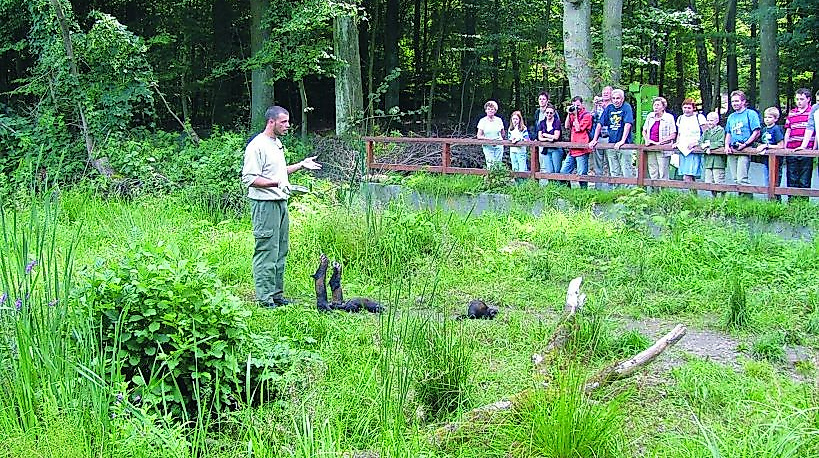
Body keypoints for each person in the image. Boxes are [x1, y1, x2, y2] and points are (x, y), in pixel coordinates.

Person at [242, 105, 322, 308]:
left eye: (287, 121)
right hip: (264, 205)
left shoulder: (276, 143)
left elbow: (278, 172)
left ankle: (277, 295)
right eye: (283, 122)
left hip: (280, 203)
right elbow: (250, 179)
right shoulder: (257, 146)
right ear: (271, 122)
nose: (287, 125)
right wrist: (276, 183)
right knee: (266, 250)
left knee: (280, 250)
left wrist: (301, 164)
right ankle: (265, 299)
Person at [589, 88, 635, 184]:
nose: (616, 100)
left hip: (624, 145)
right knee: (614, 171)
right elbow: (600, 123)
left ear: (622, 99)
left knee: (626, 170)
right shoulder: (609, 108)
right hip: (611, 143)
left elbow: (628, 124)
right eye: (613, 98)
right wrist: (594, 139)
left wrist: (622, 141)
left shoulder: (626, 107)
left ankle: (629, 193)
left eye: (618, 98)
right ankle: (616, 193)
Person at [724, 90, 761, 196]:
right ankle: (741, 200)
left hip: (745, 148)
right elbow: (728, 132)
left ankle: (747, 200)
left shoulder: (750, 114)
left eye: (737, 101)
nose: (735, 103)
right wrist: (727, 145)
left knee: (742, 178)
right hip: (733, 148)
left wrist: (745, 144)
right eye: (733, 101)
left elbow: (756, 132)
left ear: (743, 101)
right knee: (735, 178)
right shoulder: (731, 117)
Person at [784, 88, 815, 199]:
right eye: (797, 99)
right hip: (792, 149)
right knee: (792, 178)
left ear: (808, 99)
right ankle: (792, 203)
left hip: (807, 150)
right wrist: (785, 147)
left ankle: (803, 204)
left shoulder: (812, 112)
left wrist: (813, 148)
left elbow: (815, 132)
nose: (799, 102)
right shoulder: (792, 113)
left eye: (801, 99)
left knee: (804, 179)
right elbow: (788, 130)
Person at [559, 96, 593, 189]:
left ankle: (583, 193)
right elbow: (566, 126)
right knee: (563, 172)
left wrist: (576, 115)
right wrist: (569, 113)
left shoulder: (587, 115)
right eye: (574, 105)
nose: (576, 107)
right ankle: (568, 191)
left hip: (582, 149)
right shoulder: (572, 114)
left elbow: (578, 128)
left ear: (582, 104)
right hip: (572, 149)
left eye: (577, 105)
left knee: (582, 174)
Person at [673, 98, 707, 188]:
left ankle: (693, 197)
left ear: (693, 108)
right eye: (685, 108)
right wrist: (677, 142)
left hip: (694, 149)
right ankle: (693, 196)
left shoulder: (699, 117)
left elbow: (706, 133)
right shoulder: (680, 118)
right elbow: (680, 133)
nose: (686, 110)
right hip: (683, 149)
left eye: (689, 108)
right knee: (686, 175)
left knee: (689, 175)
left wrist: (697, 143)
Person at [641, 96, 676, 181]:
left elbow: (673, 134)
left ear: (663, 107)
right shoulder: (650, 116)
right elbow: (644, 130)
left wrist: (660, 143)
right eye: (654, 105)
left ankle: (664, 192)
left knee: (663, 172)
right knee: (653, 171)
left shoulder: (669, 117)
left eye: (658, 105)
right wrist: (646, 140)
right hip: (651, 147)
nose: (656, 107)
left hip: (663, 148)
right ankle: (654, 191)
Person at [756, 107, 785, 194]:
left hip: (776, 160)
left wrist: (767, 146)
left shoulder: (776, 129)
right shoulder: (764, 129)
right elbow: (760, 141)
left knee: (775, 180)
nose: (767, 119)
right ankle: (769, 199)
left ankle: (776, 200)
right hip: (765, 159)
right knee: (767, 180)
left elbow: (781, 145)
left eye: (770, 117)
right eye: (765, 117)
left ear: (775, 119)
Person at [700, 111, 726, 197]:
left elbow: (721, 142)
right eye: (708, 120)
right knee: (709, 182)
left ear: (717, 121)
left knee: (719, 181)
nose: (709, 123)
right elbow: (701, 141)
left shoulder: (721, 130)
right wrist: (704, 146)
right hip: (708, 161)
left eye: (711, 120)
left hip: (718, 162)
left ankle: (723, 199)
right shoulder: (706, 132)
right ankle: (713, 199)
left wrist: (710, 146)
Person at [537, 103, 564, 185]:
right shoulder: (541, 123)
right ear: (545, 113)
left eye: (551, 113)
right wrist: (549, 138)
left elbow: (556, 137)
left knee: (557, 171)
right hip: (546, 150)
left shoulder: (557, 122)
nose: (549, 114)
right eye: (547, 112)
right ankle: (551, 187)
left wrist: (545, 135)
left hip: (556, 149)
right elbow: (540, 137)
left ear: (554, 113)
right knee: (549, 171)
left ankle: (559, 187)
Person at [592, 86, 613, 189]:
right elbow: (593, 118)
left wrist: (605, 108)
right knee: (598, 164)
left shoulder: (613, 105)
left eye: (607, 92)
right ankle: (598, 188)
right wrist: (595, 107)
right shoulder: (598, 104)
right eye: (604, 92)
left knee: (610, 163)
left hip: (609, 138)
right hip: (598, 137)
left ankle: (611, 188)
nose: (605, 94)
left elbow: (612, 120)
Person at [477, 100, 505, 169]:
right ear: (486, 110)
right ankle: (490, 179)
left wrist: (499, 141)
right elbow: (479, 136)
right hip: (487, 145)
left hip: (498, 145)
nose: (490, 110)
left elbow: (503, 133)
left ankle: (498, 178)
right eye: (488, 109)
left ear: (495, 111)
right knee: (490, 163)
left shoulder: (499, 120)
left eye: (492, 109)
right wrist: (489, 140)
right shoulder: (482, 121)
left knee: (498, 163)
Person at [507, 110, 530, 184]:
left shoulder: (523, 128)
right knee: (515, 167)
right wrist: (512, 140)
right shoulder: (510, 128)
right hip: (513, 150)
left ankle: (524, 184)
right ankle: (517, 184)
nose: (515, 121)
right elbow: (509, 138)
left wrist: (519, 140)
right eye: (513, 119)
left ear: (520, 120)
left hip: (521, 151)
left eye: (516, 119)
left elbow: (527, 139)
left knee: (522, 168)